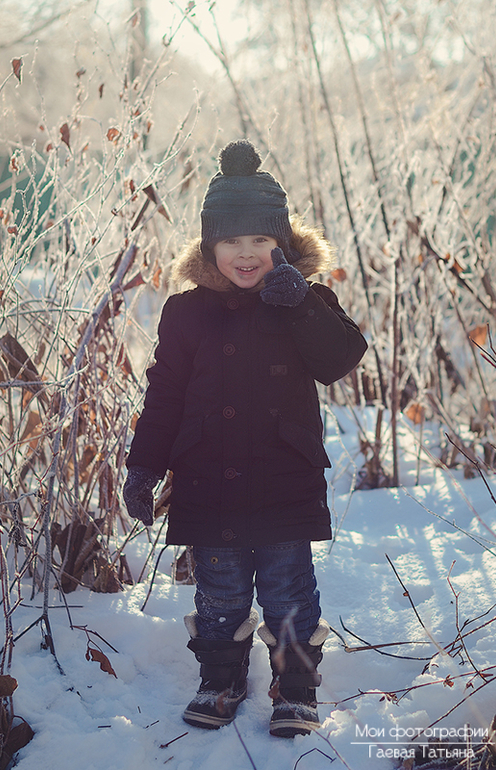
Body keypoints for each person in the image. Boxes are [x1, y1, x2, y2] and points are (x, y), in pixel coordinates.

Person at [123, 139, 367, 738]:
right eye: (231, 240)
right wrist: (143, 467)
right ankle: (221, 679)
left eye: (261, 238)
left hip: (284, 476)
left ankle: (296, 687)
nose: (246, 253)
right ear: (210, 246)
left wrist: (302, 303)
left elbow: (339, 359)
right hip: (208, 479)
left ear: (282, 242)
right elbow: (164, 395)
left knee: (289, 589)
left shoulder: (307, 300)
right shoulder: (186, 312)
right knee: (220, 590)